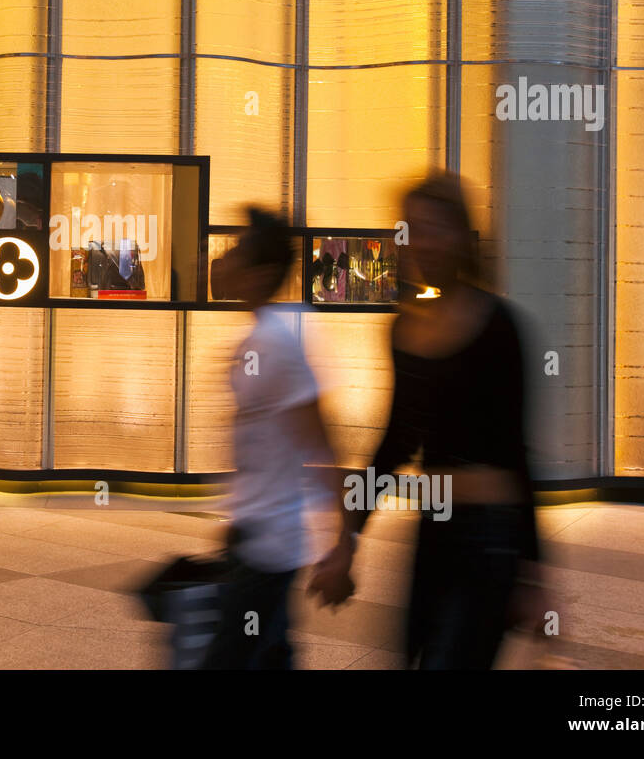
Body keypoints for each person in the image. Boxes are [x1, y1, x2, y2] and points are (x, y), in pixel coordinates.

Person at [308, 171, 548, 669]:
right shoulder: (403, 328)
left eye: (435, 228)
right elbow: (395, 443)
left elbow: (519, 456)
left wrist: (533, 574)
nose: (422, 243)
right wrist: (347, 542)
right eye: (410, 229)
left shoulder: (499, 326)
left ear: (462, 236)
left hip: (491, 539)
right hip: (433, 529)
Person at [201, 208, 348, 669]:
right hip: (255, 535)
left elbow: (323, 446)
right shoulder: (270, 332)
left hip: (270, 547)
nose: (225, 258)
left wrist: (343, 546)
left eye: (237, 249)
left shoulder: (276, 341)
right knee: (269, 656)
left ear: (261, 273)